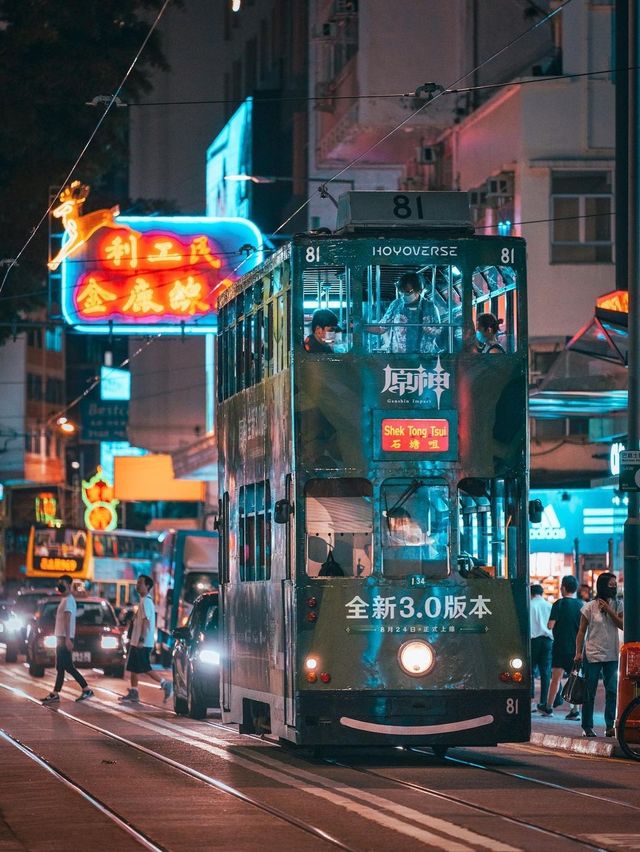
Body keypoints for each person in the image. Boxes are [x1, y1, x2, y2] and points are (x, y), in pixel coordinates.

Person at [574, 571, 623, 738]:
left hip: (612, 654)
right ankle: (587, 726)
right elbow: (581, 632)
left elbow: (623, 625)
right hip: (592, 654)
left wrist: (609, 610)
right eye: (611, 584)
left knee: (611, 690)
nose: (614, 587)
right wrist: (578, 653)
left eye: (615, 585)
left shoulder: (618, 605)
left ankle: (610, 726)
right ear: (602, 586)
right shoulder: (588, 607)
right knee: (589, 692)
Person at [119, 575, 172, 704]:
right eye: (137, 582)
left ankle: (165, 684)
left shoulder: (147, 601)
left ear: (147, 586)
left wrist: (141, 639)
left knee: (145, 667)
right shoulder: (143, 601)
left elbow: (146, 622)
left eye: (140, 583)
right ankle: (134, 692)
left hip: (141, 642)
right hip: (136, 641)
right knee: (133, 667)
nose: (137, 585)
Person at [41, 574, 93, 705]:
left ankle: (86, 689)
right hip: (61, 637)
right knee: (61, 667)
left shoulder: (69, 600)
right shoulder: (65, 600)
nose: (60, 585)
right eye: (59, 583)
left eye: (62, 583)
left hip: (64, 637)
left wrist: (68, 639)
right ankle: (55, 693)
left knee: (68, 666)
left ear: (69, 585)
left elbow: (68, 619)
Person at [539, 575, 583, 719]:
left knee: (556, 679)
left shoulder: (558, 604)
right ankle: (575, 710)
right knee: (574, 678)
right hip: (576, 648)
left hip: (559, 647)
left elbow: (550, 625)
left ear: (563, 588)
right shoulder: (581, 605)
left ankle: (549, 707)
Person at [368, 271, 441, 354]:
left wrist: (429, 330)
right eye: (401, 292)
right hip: (399, 358)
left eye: (408, 292)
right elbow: (381, 328)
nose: (404, 295)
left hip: (423, 357)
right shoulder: (396, 305)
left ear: (419, 290)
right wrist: (360, 326)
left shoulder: (430, 307)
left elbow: (439, 331)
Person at [530, 584, 553, 713]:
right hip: (548, 640)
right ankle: (544, 702)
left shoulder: (530, 605)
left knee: (531, 671)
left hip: (534, 641)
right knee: (545, 672)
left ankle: (532, 701)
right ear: (542, 593)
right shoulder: (549, 606)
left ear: (531, 593)